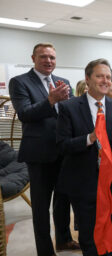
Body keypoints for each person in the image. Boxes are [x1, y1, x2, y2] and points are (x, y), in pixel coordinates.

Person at [8, 42, 79, 255]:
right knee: (40, 207)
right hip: (39, 155)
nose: (48, 61)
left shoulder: (63, 82)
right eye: (43, 57)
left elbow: (70, 114)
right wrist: (50, 100)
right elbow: (25, 114)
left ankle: (64, 240)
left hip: (63, 151)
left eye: (52, 58)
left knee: (63, 200)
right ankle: (45, 250)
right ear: (33, 58)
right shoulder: (19, 82)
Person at [56, 58, 112, 255]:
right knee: (89, 237)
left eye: (108, 77)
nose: (105, 81)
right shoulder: (69, 108)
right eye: (100, 76)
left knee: (111, 232)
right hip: (84, 183)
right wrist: (89, 138)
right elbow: (62, 145)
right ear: (87, 79)